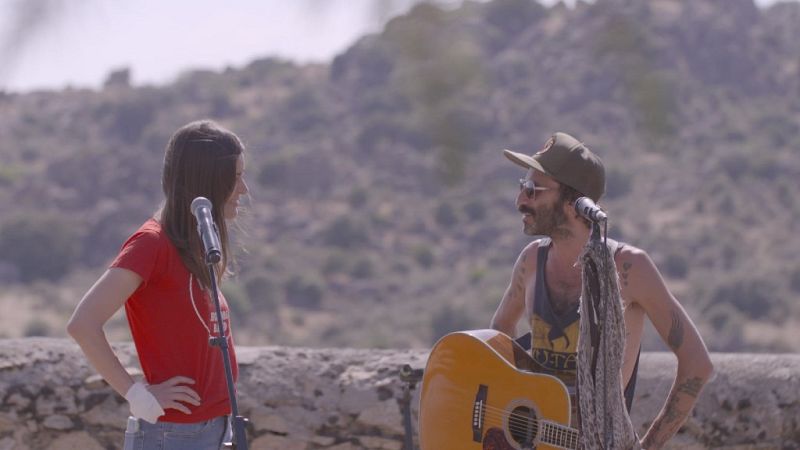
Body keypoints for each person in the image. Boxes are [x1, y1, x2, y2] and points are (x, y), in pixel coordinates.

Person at [490, 132, 713, 449]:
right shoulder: (531, 261)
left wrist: (647, 446)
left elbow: (697, 364)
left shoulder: (629, 268)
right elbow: (499, 333)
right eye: (522, 187)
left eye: (532, 190)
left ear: (572, 204)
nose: (520, 201)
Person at [67, 119, 249, 449]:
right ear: (207, 180)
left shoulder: (196, 245)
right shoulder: (152, 244)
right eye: (235, 178)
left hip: (212, 429)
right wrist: (137, 394)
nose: (244, 190)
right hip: (175, 435)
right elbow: (83, 323)